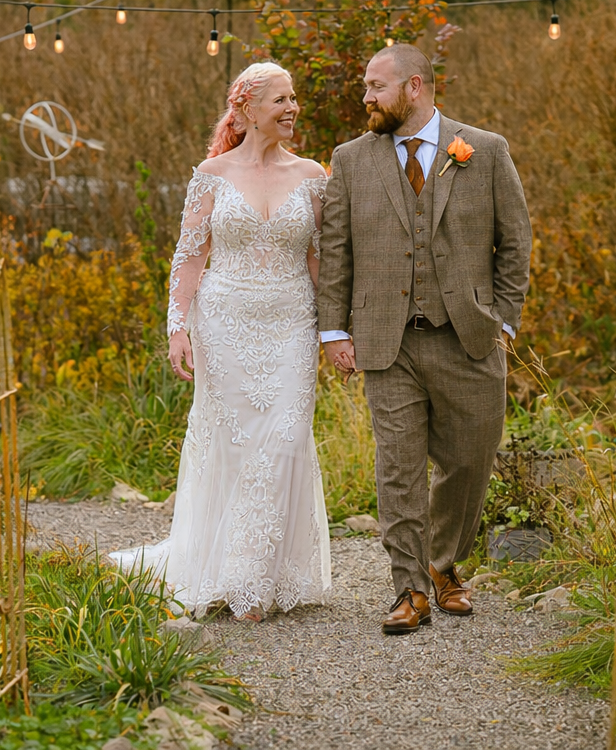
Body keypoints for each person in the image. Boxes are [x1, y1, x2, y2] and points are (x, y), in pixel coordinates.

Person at [317, 43, 531, 635]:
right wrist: (334, 330)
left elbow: (515, 241)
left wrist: (504, 318)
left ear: (414, 88)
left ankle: (441, 563)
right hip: (387, 340)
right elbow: (337, 251)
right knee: (399, 467)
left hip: (467, 336)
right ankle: (409, 588)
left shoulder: (483, 151)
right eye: (365, 87)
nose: (366, 97)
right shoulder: (352, 159)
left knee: (471, 458)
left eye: (375, 87)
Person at [111, 63, 332, 622]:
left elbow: (322, 262)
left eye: (294, 98)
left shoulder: (312, 176)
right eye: (280, 100)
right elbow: (189, 257)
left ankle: (255, 579)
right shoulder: (211, 174)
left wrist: (335, 331)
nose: (292, 108)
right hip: (224, 323)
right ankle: (228, 569)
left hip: (291, 324)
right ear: (247, 109)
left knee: (283, 440)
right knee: (233, 446)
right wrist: (177, 327)